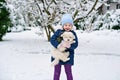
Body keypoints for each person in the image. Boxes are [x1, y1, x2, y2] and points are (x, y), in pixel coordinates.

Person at [50, 14, 78, 80]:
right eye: (65, 25)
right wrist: (58, 45)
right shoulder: (58, 32)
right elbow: (52, 40)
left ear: (71, 26)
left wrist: (69, 46)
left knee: (68, 72)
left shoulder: (73, 33)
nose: (67, 27)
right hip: (58, 55)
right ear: (63, 25)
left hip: (68, 56)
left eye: (69, 25)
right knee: (57, 72)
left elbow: (76, 44)